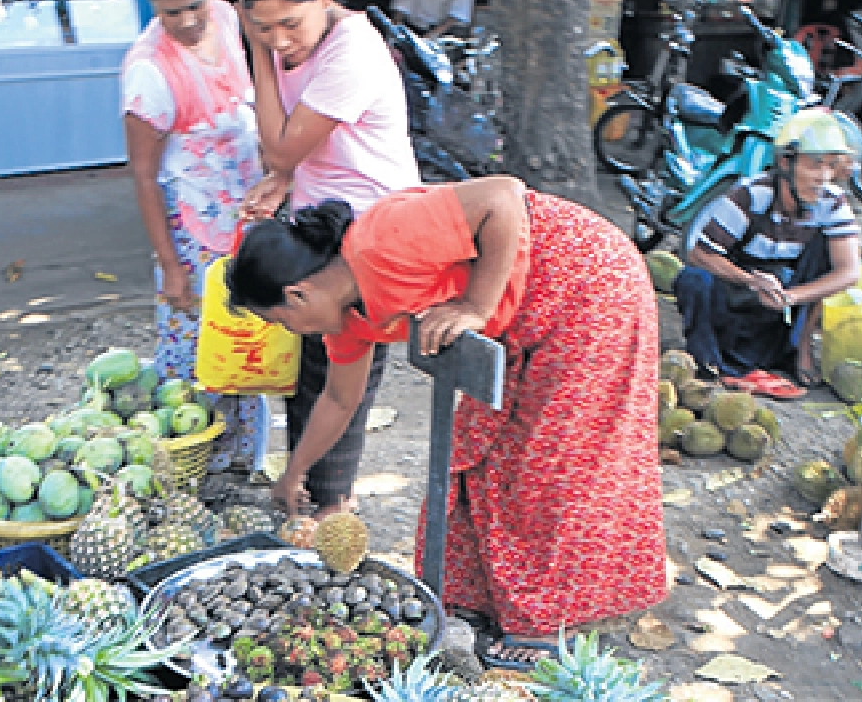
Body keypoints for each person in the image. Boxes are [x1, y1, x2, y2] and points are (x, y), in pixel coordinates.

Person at [225, 177, 666, 661]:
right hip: (519, 319)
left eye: (281, 321)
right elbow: (338, 398)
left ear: (300, 295)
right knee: (478, 450)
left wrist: (477, 305)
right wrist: (294, 473)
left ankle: (544, 626)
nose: (289, 331)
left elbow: (503, 197)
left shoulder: (382, 240)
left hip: (587, 286)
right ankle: (479, 601)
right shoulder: (349, 317)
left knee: (550, 465)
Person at [235, 0, 421, 517]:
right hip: (324, 227)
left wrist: (260, 55)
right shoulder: (299, 39)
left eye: (289, 23)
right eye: (264, 26)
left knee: (343, 387)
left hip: (373, 244)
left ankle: (328, 505)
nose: (280, 39)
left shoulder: (354, 52)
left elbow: (282, 144)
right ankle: (304, 493)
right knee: (308, 373)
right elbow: (297, 151)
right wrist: (285, 181)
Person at [121, 0, 267, 475]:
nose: (185, 21)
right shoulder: (147, 75)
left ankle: (246, 470)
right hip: (192, 241)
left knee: (248, 356)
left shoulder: (231, 22)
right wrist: (171, 267)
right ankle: (192, 476)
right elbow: (143, 176)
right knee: (194, 369)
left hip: (248, 229)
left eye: (195, 6)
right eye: (170, 11)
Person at [675, 108, 862, 398]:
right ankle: (708, 364)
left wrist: (791, 297)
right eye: (815, 165)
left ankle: (796, 346)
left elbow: (848, 271)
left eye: (830, 166)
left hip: (776, 305)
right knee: (693, 278)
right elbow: (700, 254)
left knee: (827, 252)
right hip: (735, 298)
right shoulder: (751, 194)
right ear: (786, 162)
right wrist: (750, 280)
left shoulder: (832, 201)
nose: (823, 177)